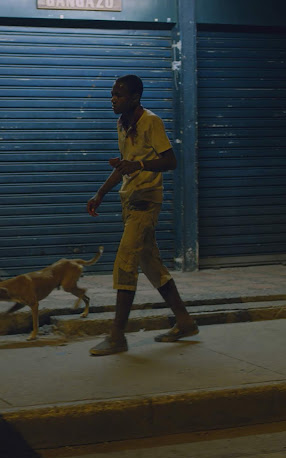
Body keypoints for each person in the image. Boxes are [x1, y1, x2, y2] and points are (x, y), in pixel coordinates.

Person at [86, 74, 198, 356]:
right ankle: (184, 322)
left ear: (134, 98)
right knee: (151, 265)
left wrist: (140, 164)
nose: (113, 99)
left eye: (119, 95)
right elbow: (125, 165)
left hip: (146, 203)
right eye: (112, 94)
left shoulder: (151, 121)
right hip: (129, 200)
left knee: (126, 262)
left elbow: (170, 161)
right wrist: (100, 193)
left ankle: (117, 335)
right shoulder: (122, 124)